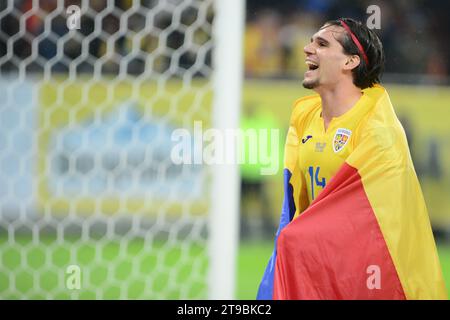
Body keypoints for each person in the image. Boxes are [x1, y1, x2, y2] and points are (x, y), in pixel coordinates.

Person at [257, 18, 447, 300]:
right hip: (320, 265)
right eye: (311, 41)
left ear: (350, 62)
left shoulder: (377, 127)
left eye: (322, 44)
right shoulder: (305, 118)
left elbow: (379, 222)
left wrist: (300, 239)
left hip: (364, 272)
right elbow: (298, 204)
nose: (308, 49)